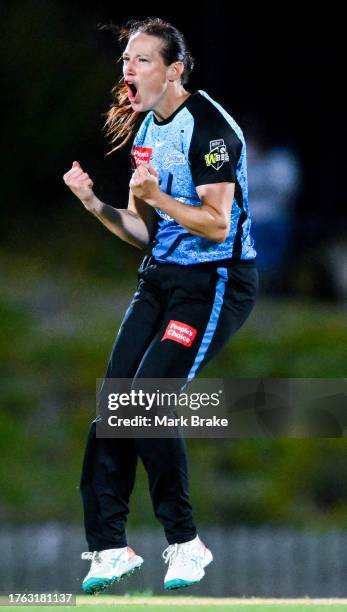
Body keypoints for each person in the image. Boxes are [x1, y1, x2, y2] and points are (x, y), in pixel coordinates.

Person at [63, 17, 258, 594]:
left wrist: (159, 198)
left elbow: (218, 226)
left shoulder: (212, 130)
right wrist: (95, 203)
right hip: (161, 280)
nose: (128, 69)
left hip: (215, 282)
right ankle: (108, 549)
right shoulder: (146, 130)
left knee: (146, 402)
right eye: (126, 59)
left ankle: (185, 543)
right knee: (115, 404)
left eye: (142, 59)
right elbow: (146, 232)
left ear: (175, 70)